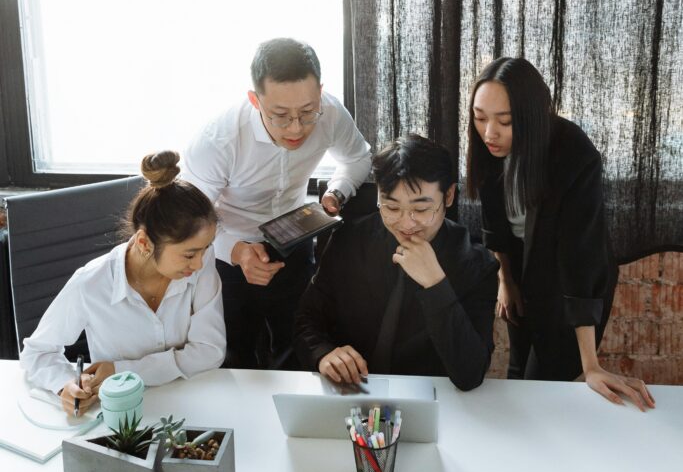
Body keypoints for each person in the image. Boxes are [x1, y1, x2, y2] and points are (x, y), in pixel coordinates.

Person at [466, 56, 655, 410]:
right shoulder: (489, 148)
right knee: (519, 375)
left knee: (546, 387)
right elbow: (495, 224)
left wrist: (591, 365)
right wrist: (507, 281)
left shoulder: (574, 154)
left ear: (532, 116)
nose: (489, 132)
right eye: (479, 118)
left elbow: (578, 260)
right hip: (524, 268)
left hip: (569, 279)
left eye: (504, 121)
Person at [182, 38, 371, 368]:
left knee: (298, 345)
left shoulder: (330, 112)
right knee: (232, 355)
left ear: (320, 91)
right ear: (255, 100)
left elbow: (358, 157)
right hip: (225, 249)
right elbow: (190, 221)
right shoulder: (219, 140)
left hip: (294, 237)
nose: (297, 128)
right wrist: (238, 251)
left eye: (307, 112)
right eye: (281, 115)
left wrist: (337, 192)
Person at [20, 151, 226, 416]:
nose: (199, 263)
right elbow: (37, 353)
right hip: (119, 415)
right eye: (189, 254)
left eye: (206, 249)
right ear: (144, 243)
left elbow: (210, 352)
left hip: (191, 405)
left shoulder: (199, 265)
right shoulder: (91, 283)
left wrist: (121, 371)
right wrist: (64, 385)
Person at [294, 134, 498, 390]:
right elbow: (306, 318)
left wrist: (436, 285)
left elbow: (471, 373)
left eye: (421, 210)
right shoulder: (348, 240)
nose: (406, 223)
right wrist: (323, 353)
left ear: (448, 196)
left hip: (435, 402)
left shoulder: (477, 263)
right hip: (352, 393)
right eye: (391, 208)